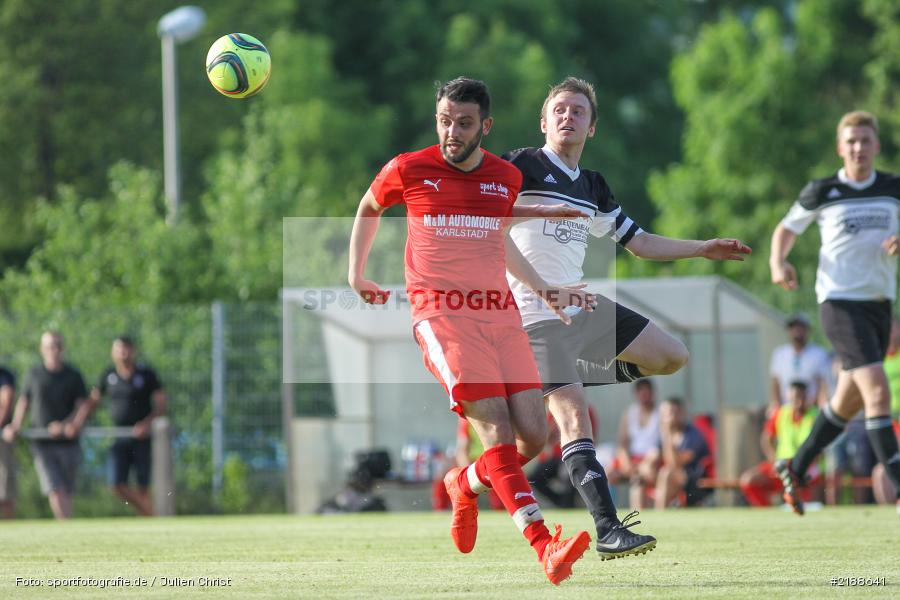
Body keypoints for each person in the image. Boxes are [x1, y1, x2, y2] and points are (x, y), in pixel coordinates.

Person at [347, 77, 593, 584]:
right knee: (498, 432)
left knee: (535, 436)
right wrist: (356, 273)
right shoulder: (409, 167)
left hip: (501, 315)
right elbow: (370, 206)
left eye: (463, 123)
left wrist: (546, 287)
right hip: (442, 315)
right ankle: (545, 546)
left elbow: (492, 226)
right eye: (444, 120)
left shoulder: (504, 176)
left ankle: (465, 482)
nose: (451, 132)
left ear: (486, 125)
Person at [502, 76, 750, 558]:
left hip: (579, 308)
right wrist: (543, 220)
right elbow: (490, 218)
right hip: (533, 313)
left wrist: (701, 248)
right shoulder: (521, 165)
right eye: (559, 109)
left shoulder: (593, 185)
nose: (568, 116)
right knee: (573, 416)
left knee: (671, 356)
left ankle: (568, 379)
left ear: (592, 127)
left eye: (578, 111)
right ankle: (608, 528)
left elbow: (639, 242)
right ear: (543, 121)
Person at [770, 110, 900, 515]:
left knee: (847, 402)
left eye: (866, 140)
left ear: (877, 146)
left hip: (879, 305)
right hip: (839, 304)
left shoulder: (893, 188)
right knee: (878, 390)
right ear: (841, 148)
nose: (859, 147)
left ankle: (797, 465)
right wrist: (779, 262)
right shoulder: (823, 190)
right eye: (852, 141)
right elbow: (787, 228)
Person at [2, 332, 94, 519]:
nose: (54, 350)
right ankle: (66, 526)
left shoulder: (73, 375)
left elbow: (82, 405)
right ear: (42, 349)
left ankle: (66, 524)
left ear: (63, 348)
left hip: (68, 442)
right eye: (50, 346)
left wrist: (70, 425)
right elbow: (24, 402)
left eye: (57, 345)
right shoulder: (33, 374)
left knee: (66, 490)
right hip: (42, 443)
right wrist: (16, 425)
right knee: (55, 488)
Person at [90, 336, 166, 516]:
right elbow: (92, 401)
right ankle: (151, 513)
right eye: (118, 349)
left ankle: (147, 522)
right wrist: (76, 421)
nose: (123, 353)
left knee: (143, 484)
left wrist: (146, 424)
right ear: (112, 352)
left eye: (126, 349)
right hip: (120, 436)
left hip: (143, 437)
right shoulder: (108, 375)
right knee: (116, 484)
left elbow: (161, 405)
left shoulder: (146, 374)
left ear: (133, 351)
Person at [740, 381, 821, 507]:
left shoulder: (816, 415)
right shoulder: (781, 413)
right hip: (783, 465)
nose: (798, 402)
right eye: (795, 398)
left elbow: (820, 447)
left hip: (806, 467)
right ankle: (767, 513)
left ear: (807, 397)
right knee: (748, 480)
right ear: (789, 397)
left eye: (802, 397)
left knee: (803, 491)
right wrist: (775, 461)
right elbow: (766, 439)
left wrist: (803, 464)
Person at [641, 397, 711, 510]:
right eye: (665, 414)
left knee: (667, 473)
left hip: (693, 479)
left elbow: (675, 463)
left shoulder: (693, 435)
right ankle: (637, 518)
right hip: (673, 477)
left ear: (681, 413)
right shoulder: (664, 435)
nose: (668, 418)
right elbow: (652, 456)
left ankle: (660, 515)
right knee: (639, 477)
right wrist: (646, 467)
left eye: (672, 413)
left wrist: (667, 435)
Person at [609, 379, 660, 511]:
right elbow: (622, 443)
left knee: (642, 476)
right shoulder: (629, 414)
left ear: (652, 393)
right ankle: (607, 512)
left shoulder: (660, 413)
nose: (644, 395)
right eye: (640, 391)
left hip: (653, 459)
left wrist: (649, 461)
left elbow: (663, 445)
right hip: (633, 459)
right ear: (636, 394)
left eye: (647, 391)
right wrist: (625, 462)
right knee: (607, 472)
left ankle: (644, 511)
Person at [768, 314, 830, 415]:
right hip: (786, 410)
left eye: (801, 328)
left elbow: (822, 384)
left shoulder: (819, 353)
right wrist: (775, 405)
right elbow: (775, 383)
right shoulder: (780, 354)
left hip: (811, 410)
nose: (797, 332)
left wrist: (818, 405)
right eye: (794, 328)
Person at [0, 366, 16, 518]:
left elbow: (7, 400)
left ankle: (8, 528)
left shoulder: (4, 375)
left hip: (2, 440)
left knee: (5, 493)